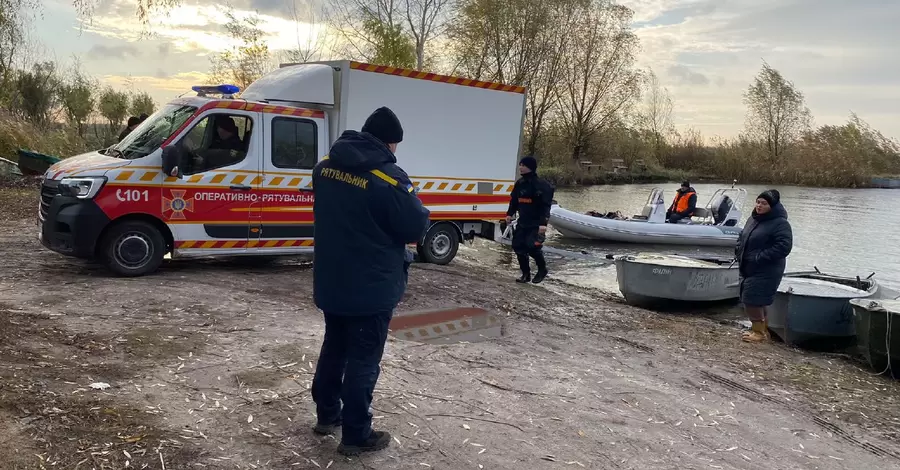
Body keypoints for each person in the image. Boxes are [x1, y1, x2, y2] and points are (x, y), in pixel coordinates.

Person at [309, 107, 431, 456]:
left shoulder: (324, 169)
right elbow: (414, 226)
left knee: (334, 347)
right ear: (389, 143)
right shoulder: (389, 178)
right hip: (371, 285)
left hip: (332, 280)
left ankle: (327, 415)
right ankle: (356, 435)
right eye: (396, 145)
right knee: (363, 358)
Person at [735, 189, 792, 343]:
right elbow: (743, 236)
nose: (759, 206)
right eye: (758, 202)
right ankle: (762, 331)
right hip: (748, 267)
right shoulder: (753, 219)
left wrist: (760, 257)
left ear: (772, 206)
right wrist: (738, 249)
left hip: (767, 269)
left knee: (752, 300)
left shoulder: (781, 223)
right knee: (756, 299)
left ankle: (759, 333)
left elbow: (784, 247)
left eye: (764, 203)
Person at [506, 156, 554, 284]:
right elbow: (514, 201)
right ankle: (525, 274)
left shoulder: (542, 185)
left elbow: (546, 206)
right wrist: (509, 214)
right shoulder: (520, 184)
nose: (520, 167)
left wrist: (543, 224)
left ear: (530, 167)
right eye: (520, 164)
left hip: (536, 223)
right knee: (518, 246)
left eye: (523, 165)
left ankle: (542, 269)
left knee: (532, 247)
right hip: (523, 221)